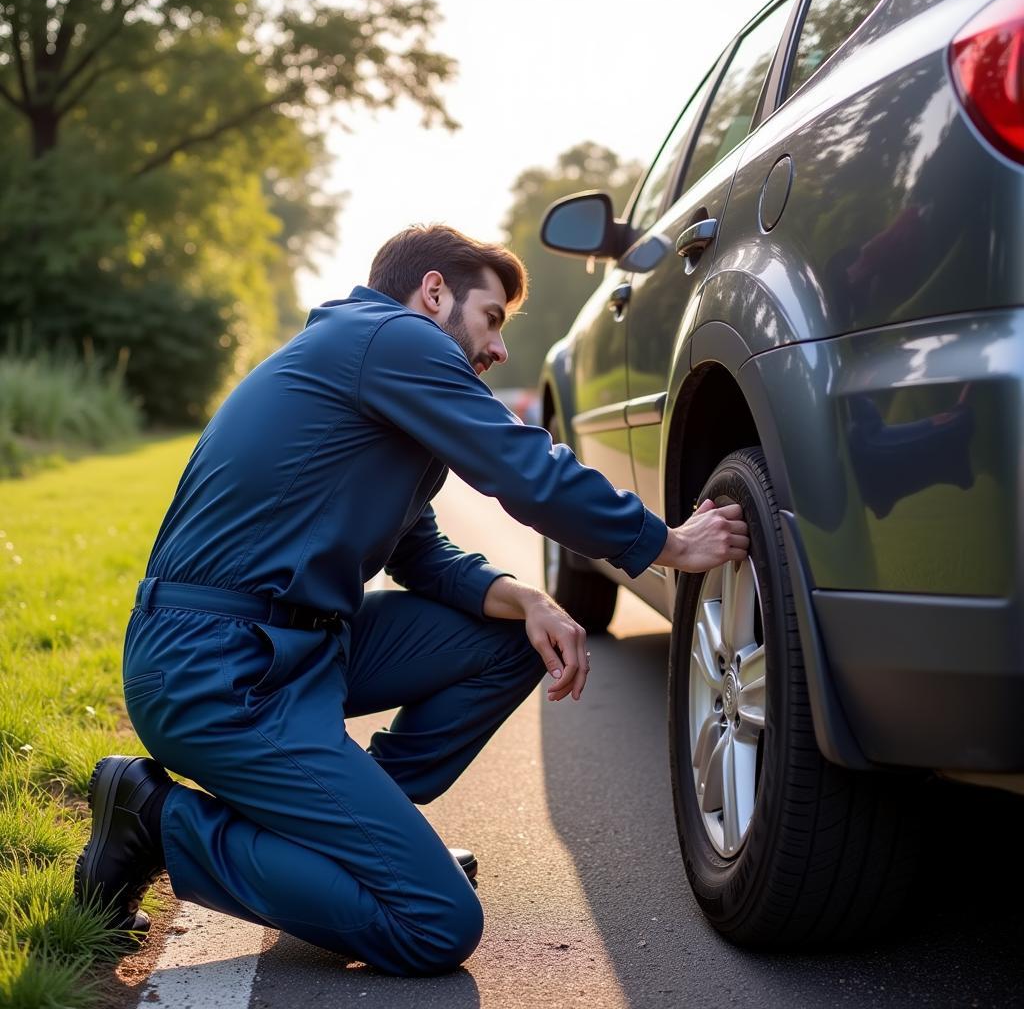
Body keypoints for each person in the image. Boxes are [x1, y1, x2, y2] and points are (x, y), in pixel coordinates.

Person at [75, 225, 749, 975]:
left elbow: (420, 554)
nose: (497, 350)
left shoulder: (372, 379)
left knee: (509, 636)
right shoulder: (393, 339)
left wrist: (527, 598)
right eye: (492, 318)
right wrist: (667, 543)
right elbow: (525, 468)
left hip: (294, 649)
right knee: (435, 924)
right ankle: (159, 822)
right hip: (216, 669)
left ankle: (350, 830)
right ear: (433, 292)